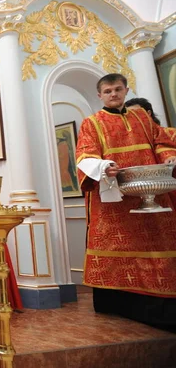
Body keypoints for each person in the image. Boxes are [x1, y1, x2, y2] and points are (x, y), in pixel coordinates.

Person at [76, 73, 176, 329]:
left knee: (161, 239)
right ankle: (118, 301)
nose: (113, 94)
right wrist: (104, 166)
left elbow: (161, 141)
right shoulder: (92, 123)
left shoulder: (142, 117)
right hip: (116, 197)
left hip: (154, 187)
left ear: (126, 90)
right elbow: (85, 154)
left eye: (118, 89)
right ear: (100, 95)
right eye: (107, 91)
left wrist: (167, 157)